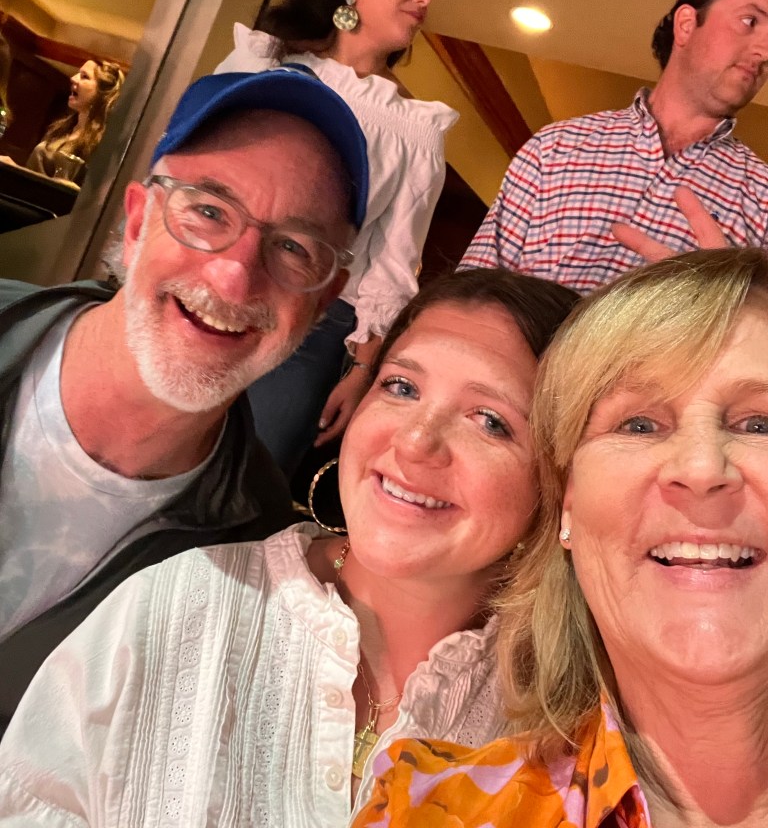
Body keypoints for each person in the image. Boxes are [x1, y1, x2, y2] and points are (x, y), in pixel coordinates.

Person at [0, 268, 578, 825]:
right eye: (401, 387)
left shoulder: (574, 719)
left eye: (491, 421)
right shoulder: (173, 606)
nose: (416, 441)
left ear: (563, 481)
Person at [0, 65, 369, 736]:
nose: (234, 276)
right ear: (138, 221)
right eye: (208, 211)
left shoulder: (255, 553)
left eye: (293, 247)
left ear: (322, 303)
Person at [354, 247, 768, 827]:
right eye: (638, 425)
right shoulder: (424, 808)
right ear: (565, 503)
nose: (700, 467)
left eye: (760, 424)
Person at [216, 0, 458, 477]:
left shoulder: (415, 128)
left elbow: (393, 262)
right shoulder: (262, 65)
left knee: (249, 481)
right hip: (215, 279)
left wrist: (361, 372)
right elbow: (187, 169)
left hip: (312, 327)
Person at [461, 0, 768, 291]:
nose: (765, 50)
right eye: (750, 21)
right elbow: (470, 292)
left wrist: (729, 308)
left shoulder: (763, 196)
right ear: (685, 25)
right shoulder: (554, 146)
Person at [25, 59, 124, 184]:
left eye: (84, 76)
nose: (73, 78)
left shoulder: (102, 144)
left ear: (102, 93)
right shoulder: (62, 128)